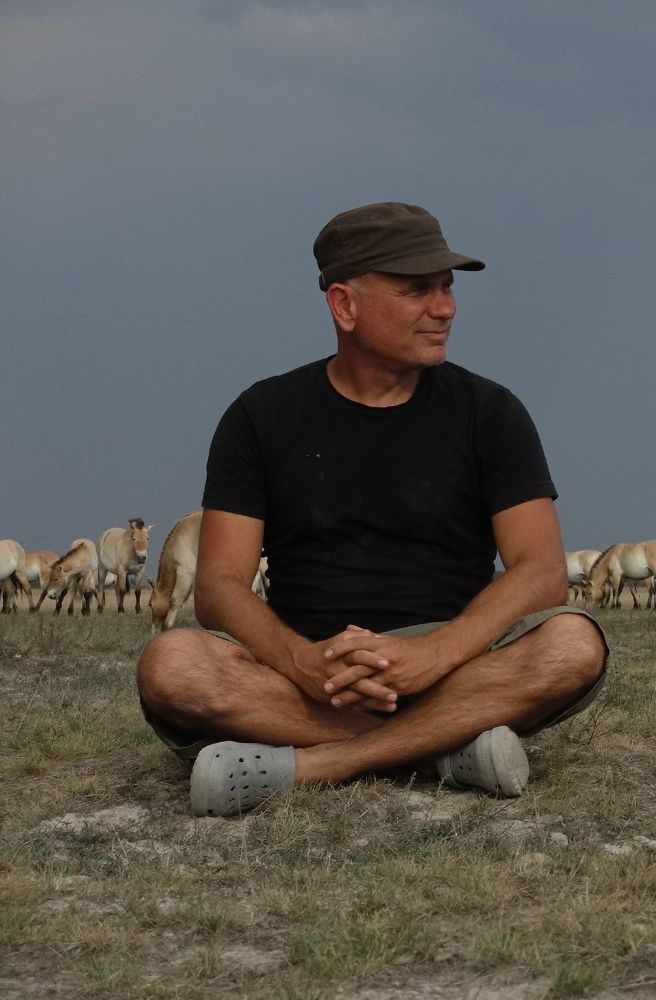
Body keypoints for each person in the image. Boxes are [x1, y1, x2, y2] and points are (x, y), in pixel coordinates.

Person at [136, 202, 607, 817]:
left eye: (446, 287)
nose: (445, 308)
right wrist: (300, 661)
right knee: (171, 664)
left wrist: (433, 656)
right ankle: (443, 750)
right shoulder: (259, 417)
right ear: (344, 306)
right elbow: (221, 586)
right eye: (416, 290)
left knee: (573, 645)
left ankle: (316, 764)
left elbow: (541, 570)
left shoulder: (491, 414)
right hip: (310, 677)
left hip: (454, 665)